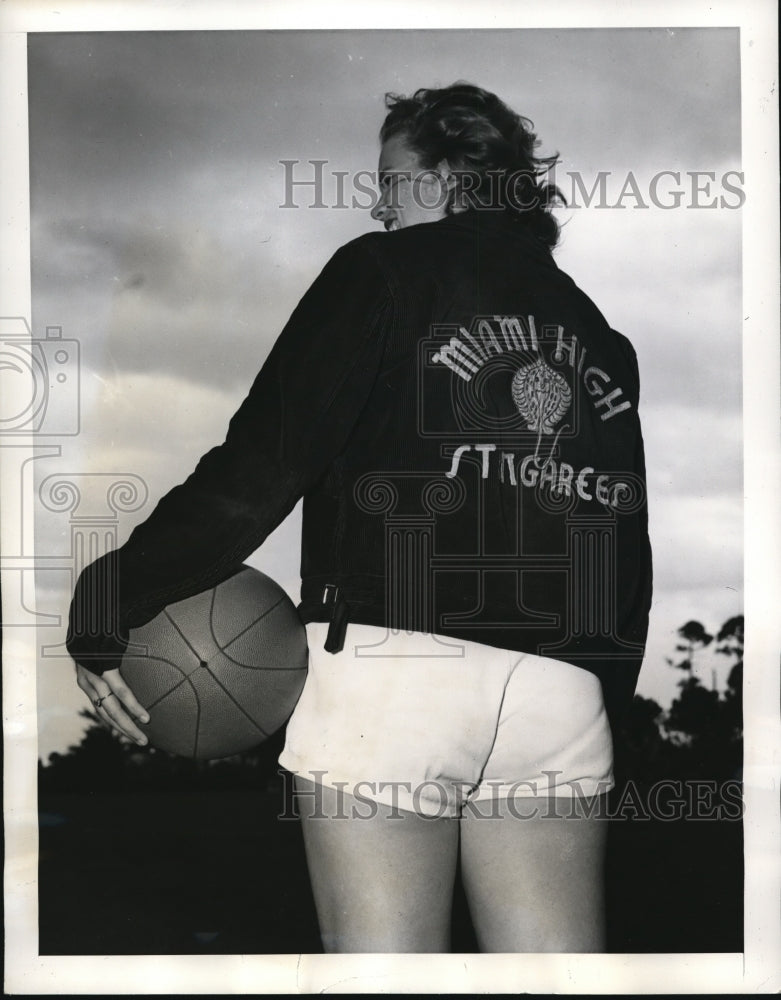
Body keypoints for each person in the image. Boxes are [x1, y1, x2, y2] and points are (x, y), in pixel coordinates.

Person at [67, 83, 652, 953]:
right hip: (559, 695)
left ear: (452, 174)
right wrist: (601, 690)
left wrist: (108, 596)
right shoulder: (597, 337)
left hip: (396, 673)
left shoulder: (378, 272)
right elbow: (622, 543)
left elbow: (261, 466)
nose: (378, 203)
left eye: (392, 178)